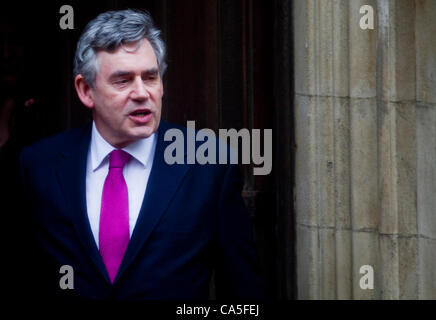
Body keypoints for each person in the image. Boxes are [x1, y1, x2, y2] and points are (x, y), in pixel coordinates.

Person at [18, 9, 264, 300]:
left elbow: (243, 295)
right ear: (86, 90)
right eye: (123, 80)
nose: (141, 92)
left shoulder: (208, 165)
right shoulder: (39, 165)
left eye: (150, 77)